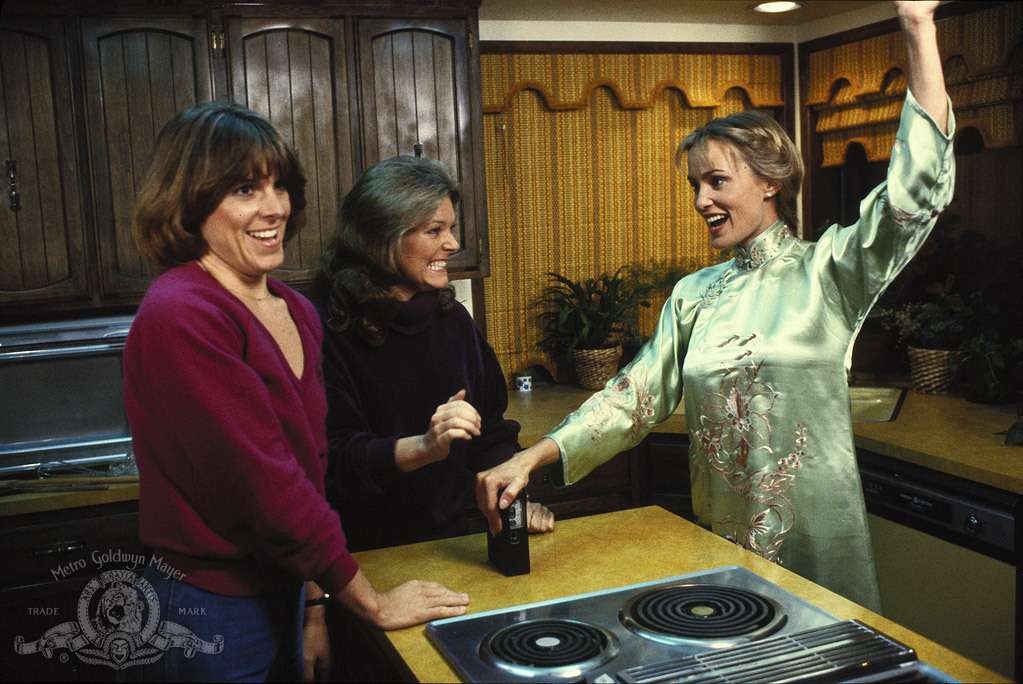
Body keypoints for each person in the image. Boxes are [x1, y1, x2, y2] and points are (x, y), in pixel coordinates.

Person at [477, 0, 952, 612]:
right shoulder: (693, 295)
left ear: (770, 181)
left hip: (818, 551)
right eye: (694, 186)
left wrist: (918, 26)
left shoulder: (829, 271)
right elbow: (633, 398)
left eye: (716, 181)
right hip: (723, 552)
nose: (700, 199)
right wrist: (535, 456)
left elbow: (913, 191)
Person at [123, 102, 469, 682]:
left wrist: (313, 602)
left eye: (278, 185)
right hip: (207, 608)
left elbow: (310, 475)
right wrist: (370, 601)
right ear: (187, 202)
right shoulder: (182, 311)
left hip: (285, 591)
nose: (273, 207)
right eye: (242, 189)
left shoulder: (295, 310)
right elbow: (263, 486)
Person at [313, 155, 554, 553]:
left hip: (449, 542)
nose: (454, 244)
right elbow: (331, 463)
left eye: (451, 228)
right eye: (434, 230)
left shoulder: (453, 320)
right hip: (360, 556)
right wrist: (424, 447)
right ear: (381, 238)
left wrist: (510, 495)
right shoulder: (323, 328)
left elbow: (489, 431)